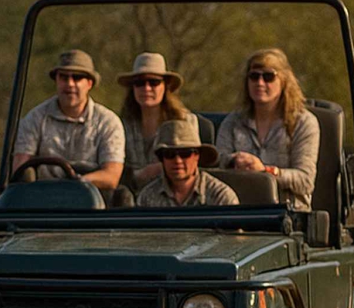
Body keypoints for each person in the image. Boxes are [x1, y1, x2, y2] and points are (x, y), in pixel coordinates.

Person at [216, 48, 319, 210]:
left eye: (268, 77)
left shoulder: (304, 123)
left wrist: (265, 171)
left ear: (284, 81)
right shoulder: (232, 122)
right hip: (240, 213)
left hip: (288, 217)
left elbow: (305, 181)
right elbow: (217, 168)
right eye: (254, 76)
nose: (260, 83)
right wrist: (234, 163)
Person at [12, 49, 124, 190]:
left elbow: (111, 176)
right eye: (64, 78)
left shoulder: (108, 122)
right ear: (56, 81)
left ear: (89, 83)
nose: (70, 84)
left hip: (94, 205)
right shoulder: (35, 118)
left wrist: (78, 183)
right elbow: (20, 169)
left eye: (77, 77)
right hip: (42, 202)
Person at [116, 52, 196, 190]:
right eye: (139, 83)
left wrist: (162, 168)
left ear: (165, 87)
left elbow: (193, 165)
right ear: (132, 88)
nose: (146, 89)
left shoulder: (185, 121)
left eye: (153, 82)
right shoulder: (120, 124)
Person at [137, 119, 239, 207]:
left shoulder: (220, 196)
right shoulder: (147, 198)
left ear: (197, 156)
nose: (177, 160)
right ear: (162, 159)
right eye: (169, 154)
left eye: (185, 153)